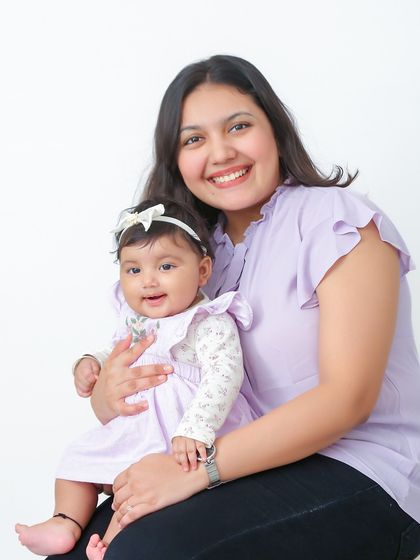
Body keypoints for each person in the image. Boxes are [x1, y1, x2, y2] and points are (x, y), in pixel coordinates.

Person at [44, 53, 420, 559]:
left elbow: (347, 399)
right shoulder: (194, 255)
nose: (220, 153)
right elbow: (153, 368)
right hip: (233, 461)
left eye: (238, 126)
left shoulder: (340, 222)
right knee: (77, 548)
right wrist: (107, 394)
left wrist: (196, 472)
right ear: (175, 159)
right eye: (194, 139)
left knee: (148, 550)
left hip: (365, 468)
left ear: (275, 129)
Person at [15, 199, 255, 559]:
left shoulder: (208, 321)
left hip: (179, 434)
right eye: (133, 271)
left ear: (203, 270)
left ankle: (112, 542)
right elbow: (119, 350)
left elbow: (225, 374)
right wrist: (91, 364)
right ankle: (65, 521)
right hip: (139, 428)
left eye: (167, 266)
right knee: (78, 462)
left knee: (140, 490)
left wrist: (195, 428)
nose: (149, 281)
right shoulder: (136, 321)